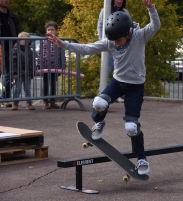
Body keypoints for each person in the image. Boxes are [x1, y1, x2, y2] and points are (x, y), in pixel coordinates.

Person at [47, 0, 160, 175]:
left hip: (136, 87)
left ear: (129, 33)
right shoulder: (110, 42)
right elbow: (86, 49)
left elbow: (155, 25)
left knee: (131, 128)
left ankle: (142, 158)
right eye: (113, 40)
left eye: (119, 40)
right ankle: (99, 123)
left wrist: (151, 8)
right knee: (99, 103)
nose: (115, 43)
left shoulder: (139, 36)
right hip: (118, 82)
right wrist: (63, 44)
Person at [97, 0, 130, 103]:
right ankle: (102, 93)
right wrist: (102, 40)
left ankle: (116, 95)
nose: (119, 1)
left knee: (119, 70)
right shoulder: (105, 11)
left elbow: (130, 27)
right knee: (107, 68)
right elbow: (100, 26)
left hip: (122, 47)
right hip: (110, 44)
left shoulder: (125, 12)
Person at [36, 21, 66, 109]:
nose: (50, 31)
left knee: (53, 83)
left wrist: (63, 66)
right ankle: (45, 102)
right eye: (48, 30)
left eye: (52, 30)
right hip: (45, 66)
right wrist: (39, 66)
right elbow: (40, 54)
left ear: (56, 31)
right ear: (46, 31)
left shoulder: (59, 42)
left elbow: (62, 54)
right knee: (45, 84)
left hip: (55, 67)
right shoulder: (43, 42)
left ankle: (52, 101)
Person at [0, 0, 22, 107]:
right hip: (0, 49)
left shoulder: (14, 16)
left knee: (10, 75)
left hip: (12, 49)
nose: (6, 0)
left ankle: (5, 98)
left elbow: (19, 33)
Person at [11, 32, 35, 110]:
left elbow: (32, 62)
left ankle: (29, 103)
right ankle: (15, 103)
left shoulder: (30, 50)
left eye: (28, 40)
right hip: (19, 72)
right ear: (19, 40)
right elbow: (13, 62)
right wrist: (14, 72)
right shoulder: (15, 49)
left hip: (27, 72)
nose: (27, 41)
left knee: (27, 88)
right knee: (17, 89)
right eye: (25, 40)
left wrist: (32, 72)